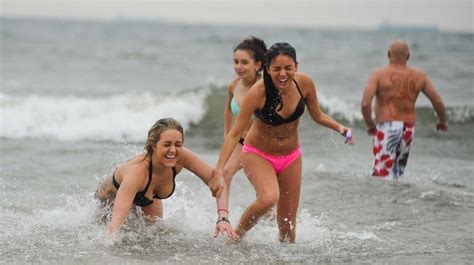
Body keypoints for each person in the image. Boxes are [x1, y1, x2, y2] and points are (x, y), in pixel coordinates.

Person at [211, 42, 353, 243]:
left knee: (287, 226)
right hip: (257, 153)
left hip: (291, 156)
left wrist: (341, 128)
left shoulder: (305, 84)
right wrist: (219, 170)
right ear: (267, 69)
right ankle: (236, 237)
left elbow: (318, 114)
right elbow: (234, 134)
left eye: (289, 68)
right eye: (276, 69)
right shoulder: (258, 93)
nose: (283, 74)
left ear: (297, 65)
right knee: (269, 198)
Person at [95, 118, 237, 239]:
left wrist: (223, 218)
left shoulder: (181, 157)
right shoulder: (137, 172)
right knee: (116, 236)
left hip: (149, 197)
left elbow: (217, 180)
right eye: (167, 144)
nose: (173, 150)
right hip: (109, 200)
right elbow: (115, 224)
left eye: (178, 144)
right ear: (153, 145)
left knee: (156, 235)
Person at [361, 40, 448, 179]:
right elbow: (437, 101)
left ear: (388, 54)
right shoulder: (420, 76)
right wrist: (443, 121)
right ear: (408, 56)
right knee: (397, 174)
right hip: (408, 129)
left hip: (386, 127)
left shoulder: (378, 75)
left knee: (380, 174)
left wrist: (369, 124)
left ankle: (381, 200)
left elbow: (366, 103)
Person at [221, 36, 267, 214]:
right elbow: (227, 109)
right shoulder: (233, 85)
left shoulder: (263, 87)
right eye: (236, 62)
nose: (238, 66)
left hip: (259, 143)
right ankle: (223, 216)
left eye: (244, 62)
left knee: (262, 189)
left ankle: (271, 218)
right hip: (240, 141)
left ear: (257, 64)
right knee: (225, 173)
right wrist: (226, 133)